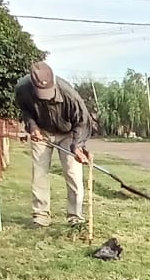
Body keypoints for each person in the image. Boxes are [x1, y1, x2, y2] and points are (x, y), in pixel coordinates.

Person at [14, 61, 97, 227]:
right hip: (42, 132)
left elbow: (82, 122)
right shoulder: (22, 88)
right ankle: (41, 216)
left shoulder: (69, 94)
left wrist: (77, 146)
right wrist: (33, 127)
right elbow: (25, 111)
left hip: (68, 133)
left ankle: (75, 217)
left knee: (73, 173)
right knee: (39, 172)